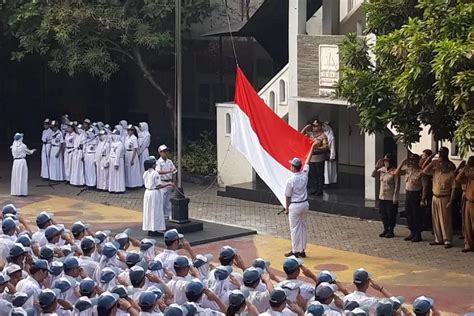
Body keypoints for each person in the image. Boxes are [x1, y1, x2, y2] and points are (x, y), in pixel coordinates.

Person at [284, 142, 315, 258]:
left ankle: (295, 250)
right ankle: (302, 249)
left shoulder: (290, 180)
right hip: (304, 204)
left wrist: (287, 208)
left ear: (293, 167)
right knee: (302, 227)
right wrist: (312, 147)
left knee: (294, 229)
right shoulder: (304, 174)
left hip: (295, 205)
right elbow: (308, 161)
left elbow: (287, 196)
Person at [422, 147, 456, 248]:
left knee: (445, 220)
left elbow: (454, 188)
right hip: (435, 197)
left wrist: (451, 201)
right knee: (435, 219)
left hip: (445, 197)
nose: (440, 164)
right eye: (439, 162)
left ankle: (447, 240)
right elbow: (424, 170)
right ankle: (438, 238)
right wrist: (431, 161)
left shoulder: (450, 173)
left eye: (441, 163)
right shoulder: (435, 171)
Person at [142, 156, 175, 235]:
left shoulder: (145, 173)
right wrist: (169, 184)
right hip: (154, 193)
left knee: (149, 211)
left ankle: (150, 228)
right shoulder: (155, 173)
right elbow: (158, 186)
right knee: (156, 211)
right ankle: (156, 229)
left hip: (147, 193)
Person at [394, 154, 423, 242]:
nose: (411, 162)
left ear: (417, 161)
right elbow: (396, 173)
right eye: (411, 160)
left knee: (416, 215)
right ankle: (412, 232)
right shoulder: (408, 170)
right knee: (409, 214)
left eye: (414, 160)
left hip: (416, 194)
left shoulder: (420, 171)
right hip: (408, 194)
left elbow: (425, 185)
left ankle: (417, 234)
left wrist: (423, 197)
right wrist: (402, 164)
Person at [372, 154, 400, 238]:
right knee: (383, 214)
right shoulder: (382, 170)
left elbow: (397, 185)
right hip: (382, 196)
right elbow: (373, 175)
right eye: (384, 161)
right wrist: (376, 167)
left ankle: (391, 230)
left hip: (390, 197)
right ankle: (385, 229)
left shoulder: (395, 171)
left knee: (391, 215)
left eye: (387, 161)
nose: (385, 163)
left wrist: (395, 197)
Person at [301, 120, 328, 196]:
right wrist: (306, 127)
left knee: (319, 174)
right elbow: (301, 134)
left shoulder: (323, 136)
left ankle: (320, 190)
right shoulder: (311, 135)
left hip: (319, 157)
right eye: (313, 126)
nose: (314, 128)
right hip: (312, 157)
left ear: (319, 127)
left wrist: (316, 148)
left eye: (315, 126)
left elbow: (326, 147)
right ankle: (315, 189)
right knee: (313, 174)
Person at [455, 156, 474, 252]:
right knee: (467, 225)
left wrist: (467, 170)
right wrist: (463, 170)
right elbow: (457, 178)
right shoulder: (468, 177)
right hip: (468, 201)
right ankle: (468, 244)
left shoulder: (471, 174)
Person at [156, 145, 177, 220]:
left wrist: (174, 183)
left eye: (166, 151)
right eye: (163, 151)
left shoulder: (169, 161)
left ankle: (166, 216)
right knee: (162, 201)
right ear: (160, 153)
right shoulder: (159, 162)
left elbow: (174, 172)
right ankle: (161, 216)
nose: (165, 153)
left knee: (168, 201)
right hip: (163, 182)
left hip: (169, 182)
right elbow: (158, 172)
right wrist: (169, 171)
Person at [124, 124, 143, 188]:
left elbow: (135, 148)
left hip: (132, 153)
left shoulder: (134, 138)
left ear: (133, 131)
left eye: (131, 130)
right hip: (127, 153)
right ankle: (128, 184)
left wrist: (132, 159)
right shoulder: (126, 137)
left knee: (133, 170)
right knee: (128, 169)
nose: (129, 131)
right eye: (128, 130)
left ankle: (134, 184)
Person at [420, 149, 434, 231]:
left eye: (424, 155)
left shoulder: (430, 165)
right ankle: (425, 223)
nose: (422, 156)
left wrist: (429, 158)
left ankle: (428, 224)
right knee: (425, 208)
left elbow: (423, 169)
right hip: (423, 188)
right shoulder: (422, 162)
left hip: (429, 189)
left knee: (429, 208)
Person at [83, 119, 97, 188]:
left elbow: (94, 140)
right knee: (87, 169)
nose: (84, 125)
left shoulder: (92, 130)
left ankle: (93, 184)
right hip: (86, 152)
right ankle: (88, 184)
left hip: (92, 152)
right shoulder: (85, 131)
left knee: (92, 170)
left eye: (86, 124)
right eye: (84, 124)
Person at [323, 122, 337, 186]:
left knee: (330, 168)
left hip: (329, 154)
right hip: (324, 153)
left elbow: (332, 147)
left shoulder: (331, 137)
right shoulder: (323, 134)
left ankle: (331, 181)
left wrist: (332, 156)